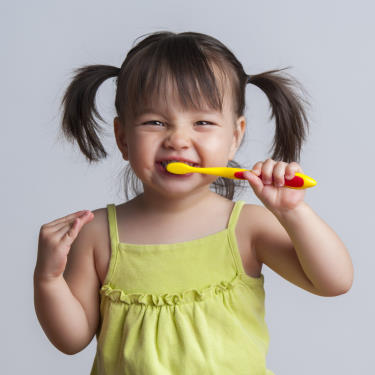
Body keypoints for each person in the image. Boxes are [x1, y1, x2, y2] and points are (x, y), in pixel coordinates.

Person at [33, 31, 353, 375]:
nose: (178, 139)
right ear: (123, 138)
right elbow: (71, 340)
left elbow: (333, 281)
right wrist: (48, 280)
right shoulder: (96, 234)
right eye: (155, 122)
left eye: (202, 122)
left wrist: (293, 212)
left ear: (234, 137)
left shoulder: (246, 228)